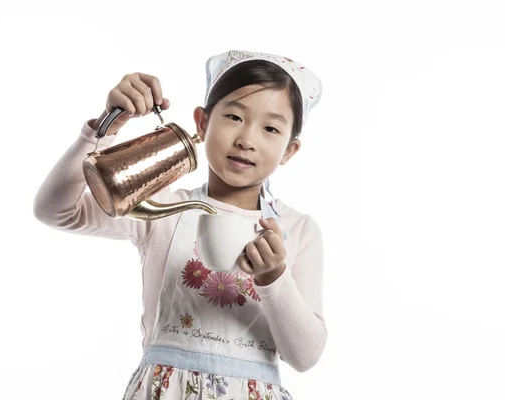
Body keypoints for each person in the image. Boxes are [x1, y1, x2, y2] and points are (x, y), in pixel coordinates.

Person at [33, 49, 326, 399]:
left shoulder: (297, 230)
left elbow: (305, 356)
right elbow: (56, 210)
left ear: (289, 150)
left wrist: (274, 277)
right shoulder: (163, 207)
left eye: (270, 128)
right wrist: (106, 126)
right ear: (202, 123)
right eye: (234, 116)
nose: (247, 139)